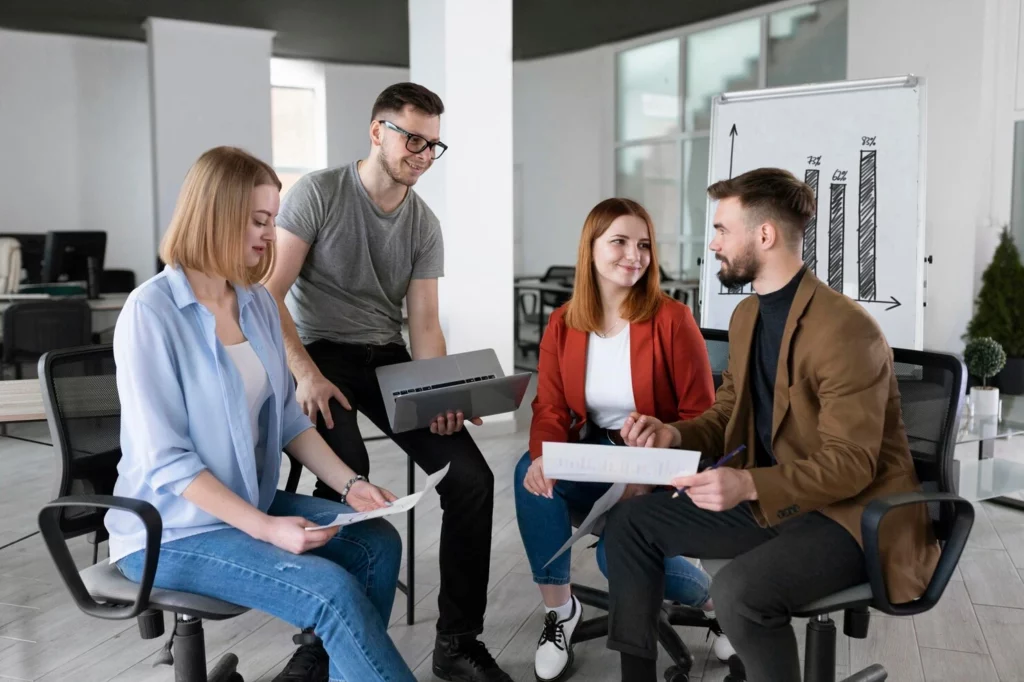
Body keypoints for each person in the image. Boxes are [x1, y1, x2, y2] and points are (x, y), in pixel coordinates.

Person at [602, 168, 940, 682]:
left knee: (738, 591)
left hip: (851, 516)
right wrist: (673, 433)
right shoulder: (747, 318)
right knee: (630, 524)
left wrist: (746, 483)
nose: (712, 244)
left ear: (764, 235)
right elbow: (727, 413)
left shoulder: (846, 330)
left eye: (721, 230)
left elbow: (851, 464)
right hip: (774, 500)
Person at [107, 146, 417, 682]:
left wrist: (351, 485)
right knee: (329, 591)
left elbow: (291, 421)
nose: (271, 234)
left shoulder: (254, 302)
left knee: (375, 542)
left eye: (272, 220)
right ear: (216, 214)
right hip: (171, 531)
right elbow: (168, 462)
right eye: (259, 220)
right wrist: (267, 528)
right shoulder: (150, 312)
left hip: (247, 501)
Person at [265, 82, 510, 682]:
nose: (424, 155)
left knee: (472, 479)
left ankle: (457, 643)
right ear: (378, 132)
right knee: (344, 469)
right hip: (318, 351)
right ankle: (318, 644)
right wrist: (305, 374)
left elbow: (424, 323)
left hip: (387, 358)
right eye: (414, 140)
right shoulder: (318, 193)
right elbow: (268, 295)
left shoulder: (423, 224)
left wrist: (441, 395)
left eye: (434, 145)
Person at [514, 197, 731, 682]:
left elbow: (704, 415)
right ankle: (560, 611)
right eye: (619, 242)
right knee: (528, 474)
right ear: (590, 249)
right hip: (599, 455)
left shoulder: (672, 319)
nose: (634, 255)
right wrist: (543, 457)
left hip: (664, 460)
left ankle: (717, 601)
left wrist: (648, 472)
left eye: (644, 245)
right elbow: (549, 407)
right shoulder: (564, 322)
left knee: (618, 556)